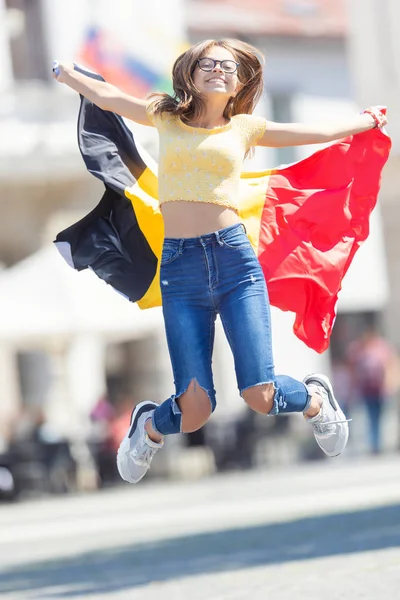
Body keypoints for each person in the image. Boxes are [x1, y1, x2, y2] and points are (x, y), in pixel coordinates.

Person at [53, 38, 387, 483]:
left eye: (228, 67)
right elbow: (112, 99)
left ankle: (313, 400)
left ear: (238, 84)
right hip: (180, 268)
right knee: (194, 410)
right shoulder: (165, 116)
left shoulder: (244, 128)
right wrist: (69, 74)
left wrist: (362, 122)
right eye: (207, 64)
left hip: (235, 264)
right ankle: (149, 426)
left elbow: (312, 133)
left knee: (260, 394)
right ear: (190, 75)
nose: (218, 71)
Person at [346, 325, 399, 454]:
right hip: (366, 389)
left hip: (380, 388)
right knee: (371, 417)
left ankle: (382, 442)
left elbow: (390, 365)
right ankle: (375, 444)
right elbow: (352, 368)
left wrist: (390, 383)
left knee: (382, 416)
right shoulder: (358, 349)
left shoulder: (381, 348)